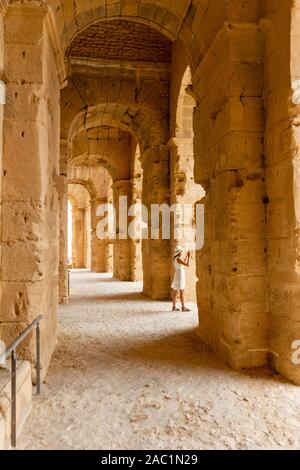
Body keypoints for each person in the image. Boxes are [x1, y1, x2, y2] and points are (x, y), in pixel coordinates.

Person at [171, 245, 191, 312]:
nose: (181, 252)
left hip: (177, 273)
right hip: (180, 274)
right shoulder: (178, 259)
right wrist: (188, 257)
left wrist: (186, 256)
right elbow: (187, 264)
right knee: (181, 291)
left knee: (175, 291)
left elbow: (182, 263)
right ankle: (183, 307)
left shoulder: (175, 258)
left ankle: (174, 307)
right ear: (179, 252)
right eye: (181, 251)